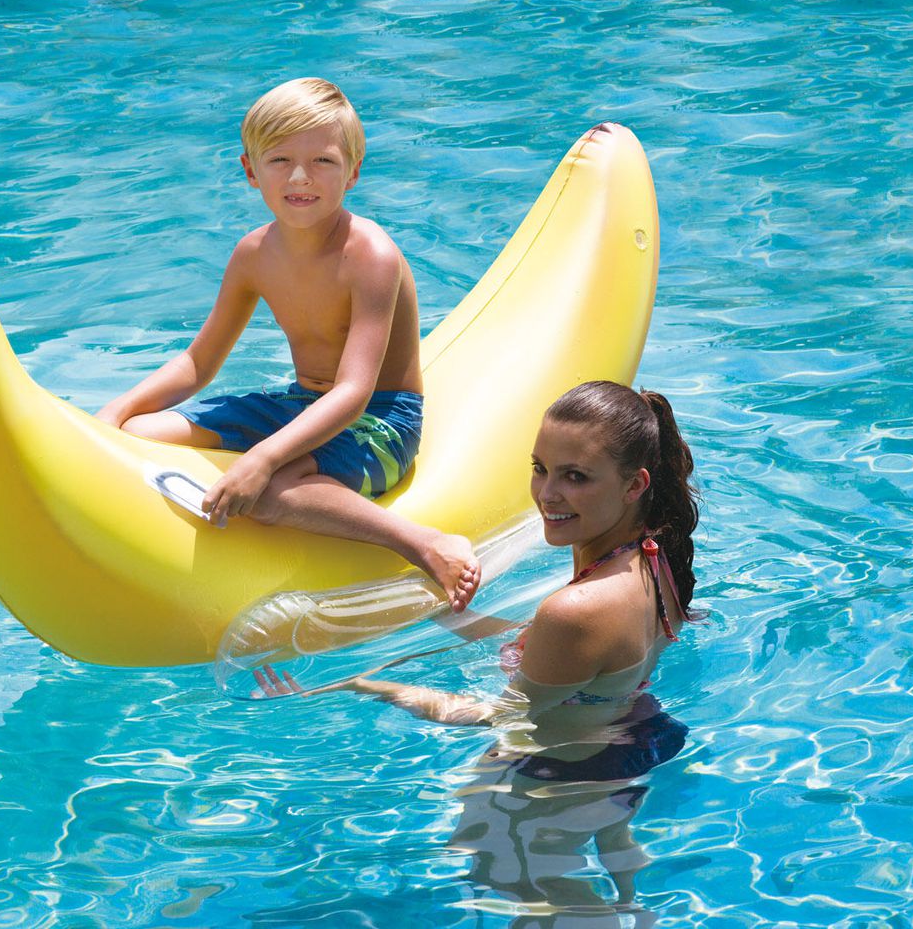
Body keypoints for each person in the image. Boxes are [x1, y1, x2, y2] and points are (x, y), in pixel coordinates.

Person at [257, 380, 701, 918]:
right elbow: (564, 652)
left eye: (575, 477)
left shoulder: (576, 609)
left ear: (635, 485)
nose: (547, 494)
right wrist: (447, 614)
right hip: (630, 736)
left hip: (558, 774)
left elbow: (497, 716)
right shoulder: (652, 555)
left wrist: (365, 682)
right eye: (540, 467)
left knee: (512, 887)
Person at [96, 78, 479, 609]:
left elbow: (354, 389)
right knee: (141, 432)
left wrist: (261, 458)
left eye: (322, 161)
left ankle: (423, 542)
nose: (301, 177)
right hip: (299, 403)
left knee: (274, 494)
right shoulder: (253, 255)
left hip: (380, 417)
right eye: (279, 160)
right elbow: (197, 361)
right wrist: (110, 419)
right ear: (251, 171)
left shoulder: (370, 255)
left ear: (353, 171)